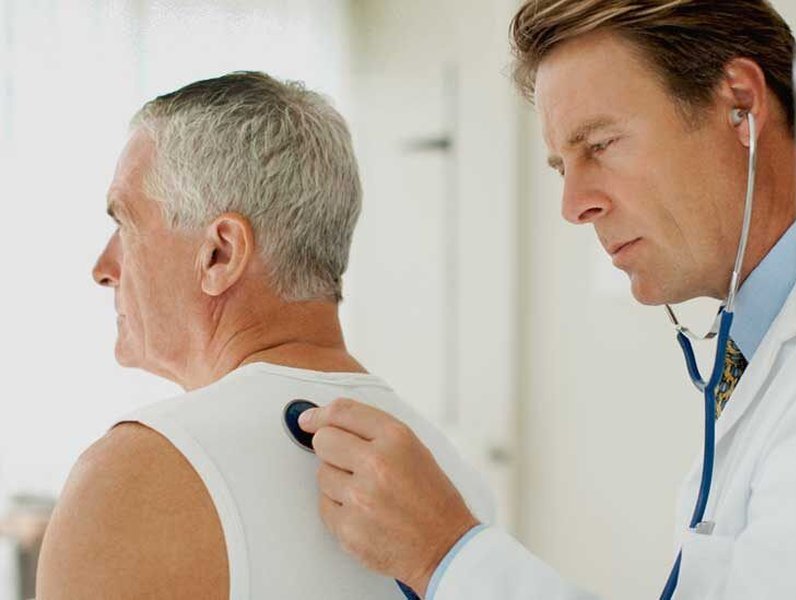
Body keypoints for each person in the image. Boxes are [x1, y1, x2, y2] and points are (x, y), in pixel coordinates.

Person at [298, 1, 796, 598]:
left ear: (740, 105)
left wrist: (444, 552)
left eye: (603, 144)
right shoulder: (756, 351)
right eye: (563, 166)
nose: (574, 205)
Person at [34, 72, 494, 599]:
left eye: (125, 225)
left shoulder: (137, 475)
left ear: (220, 253)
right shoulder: (453, 483)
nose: (103, 266)